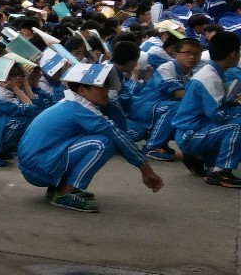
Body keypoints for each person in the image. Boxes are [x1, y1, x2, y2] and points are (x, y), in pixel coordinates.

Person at [18, 63, 163, 211]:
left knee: (97, 137)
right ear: (82, 91)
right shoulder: (81, 109)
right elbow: (118, 135)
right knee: (103, 143)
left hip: (36, 165)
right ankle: (65, 193)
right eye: (101, 88)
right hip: (38, 168)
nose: (106, 91)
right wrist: (146, 170)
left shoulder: (72, 103)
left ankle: (59, 188)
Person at [172, 30, 241, 187]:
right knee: (238, 125)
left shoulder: (214, 72)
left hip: (196, 129)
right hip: (191, 134)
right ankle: (220, 173)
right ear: (233, 54)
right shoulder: (210, 77)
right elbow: (218, 114)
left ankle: (199, 158)